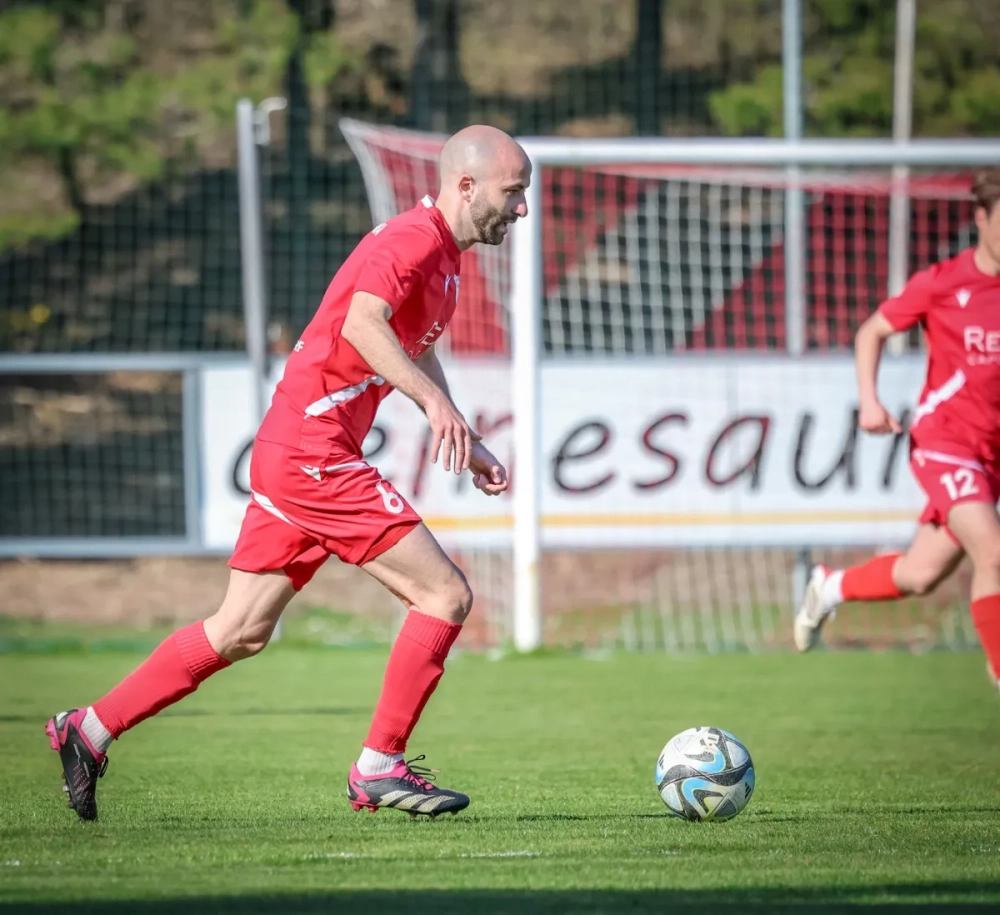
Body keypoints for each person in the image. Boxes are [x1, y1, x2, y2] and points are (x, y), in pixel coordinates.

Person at [46, 125, 533, 822]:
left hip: (295, 448)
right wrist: (433, 406)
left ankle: (88, 728)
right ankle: (379, 766)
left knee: (240, 629)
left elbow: (415, 346)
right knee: (443, 594)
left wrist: (462, 430)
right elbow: (364, 325)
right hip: (315, 451)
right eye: (512, 192)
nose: (521, 208)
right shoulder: (412, 240)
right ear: (466, 186)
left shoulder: (445, 259)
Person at [793, 167, 1000, 690]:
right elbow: (873, 331)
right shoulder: (943, 283)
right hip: (946, 442)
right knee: (994, 554)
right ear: (981, 218)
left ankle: (830, 587)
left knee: (920, 575)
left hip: (992, 454)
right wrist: (869, 401)